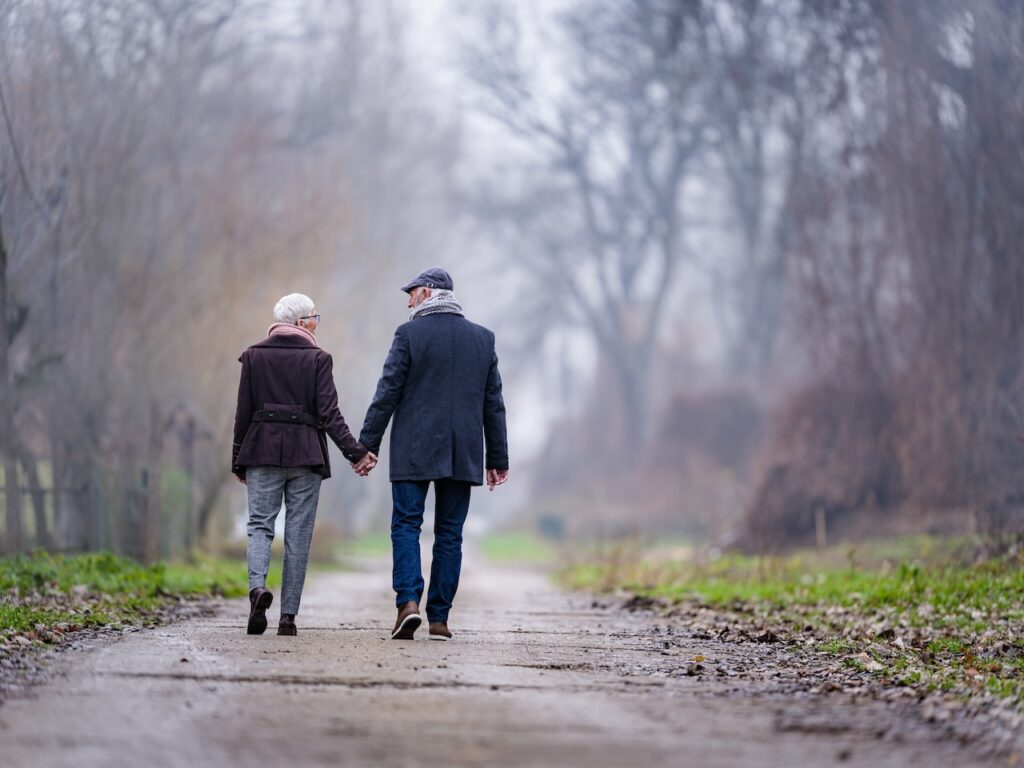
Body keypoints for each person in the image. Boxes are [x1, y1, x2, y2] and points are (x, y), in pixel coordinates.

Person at [359, 267, 509, 641]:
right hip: (463, 451)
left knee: (407, 525)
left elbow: (387, 392)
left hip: (414, 447)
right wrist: (497, 460)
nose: (408, 302)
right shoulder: (482, 339)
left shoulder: (409, 335)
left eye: (411, 294)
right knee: (450, 534)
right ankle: (439, 618)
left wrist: (366, 445)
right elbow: (494, 404)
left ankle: (408, 602)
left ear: (427, 293)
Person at [233, 293, 376, 636]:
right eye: (315, 317)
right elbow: (329, 414)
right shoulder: (318, 359)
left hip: (261, 452)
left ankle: (257, 591)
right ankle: (288, 618)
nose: (317, 322)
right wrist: (355, 453)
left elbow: (243, 413)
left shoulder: (253, 356)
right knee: (298, 535)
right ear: (300, 324)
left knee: (260, 527)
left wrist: (239, 458)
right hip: (306, 456)